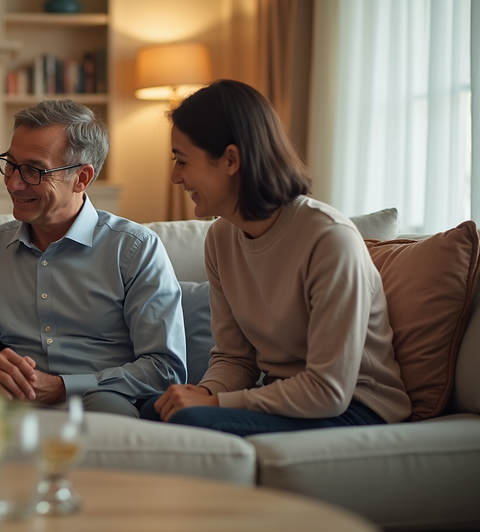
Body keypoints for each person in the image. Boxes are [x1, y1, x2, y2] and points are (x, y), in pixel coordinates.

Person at [141, 80, 411, 435]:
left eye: (182, 161)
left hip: (356, 406)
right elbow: (234, 358)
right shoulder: (221, 239)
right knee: (154, 408)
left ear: (231, 160)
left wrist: (214, 404)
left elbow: (329, 391)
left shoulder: (330, 239)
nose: (176, 177)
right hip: (282, 397)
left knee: (189, 419)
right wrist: (203, 392)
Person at [0, 99, 187, 418]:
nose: (13, 183)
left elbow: (165, 368)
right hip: (8, 405)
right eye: (10, 164)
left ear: (82, 178)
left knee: (104, 416)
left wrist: (65, 386)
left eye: (34, 170)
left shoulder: (135, 249)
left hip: (104, 401)